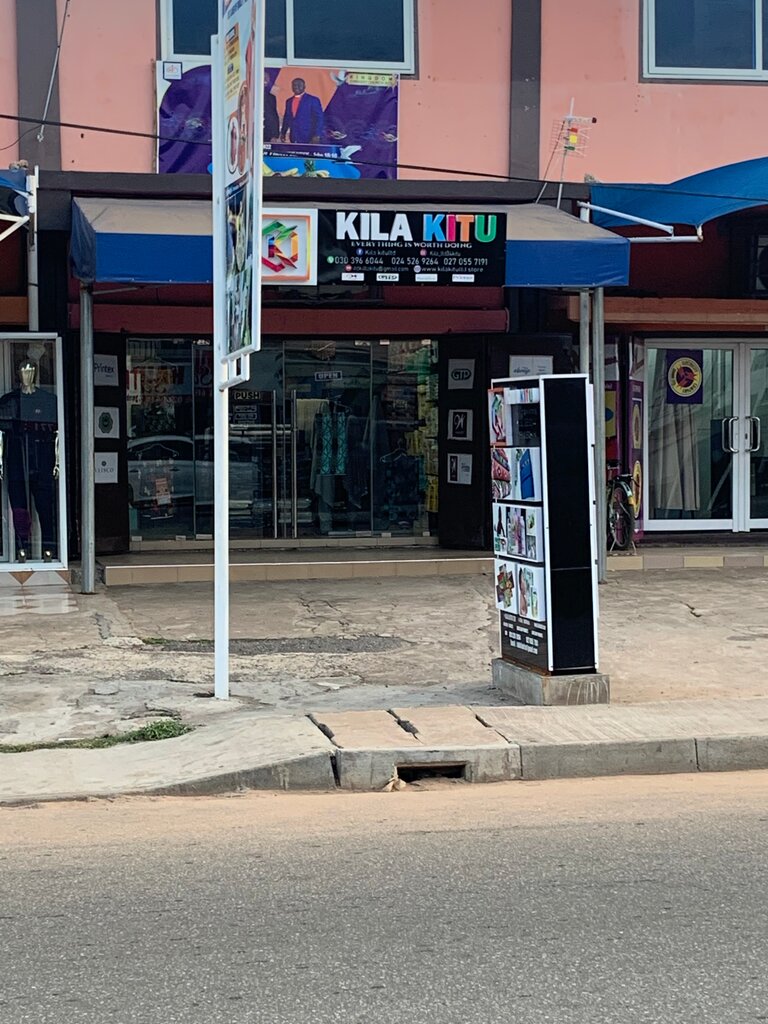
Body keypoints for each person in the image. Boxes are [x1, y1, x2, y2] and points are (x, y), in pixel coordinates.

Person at [280, 78, 324, 144]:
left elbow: (319, 118)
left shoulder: (313, 100)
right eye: (294, 85)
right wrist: (283, 132)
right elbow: (287, 118)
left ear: (304, 87)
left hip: (309, 137)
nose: (296, 87)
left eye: (299, 85)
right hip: (294, 136)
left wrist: (317, 135)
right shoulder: (289, 101)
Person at [263, 72, 279, 142]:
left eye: (266, 79)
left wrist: (274, 135)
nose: (265, 81)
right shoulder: (249, 94)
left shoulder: (271, 97)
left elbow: (272, 116)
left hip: (268, 133)